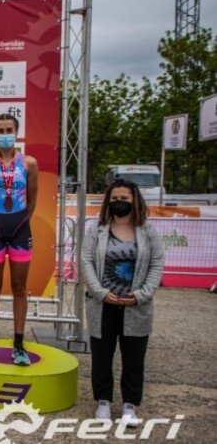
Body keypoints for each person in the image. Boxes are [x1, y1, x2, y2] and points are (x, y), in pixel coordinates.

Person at [81, 178, 163, 426]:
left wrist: (141, 295)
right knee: (102, 356)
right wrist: (99, 292)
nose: (119, 203)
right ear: (108, 202)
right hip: (102, 304)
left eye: (124, 199)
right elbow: (86, 262)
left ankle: (130, 406)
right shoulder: (96, 230)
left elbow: (156, 265)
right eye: (114, 199)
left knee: (134, 358)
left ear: (134, 200)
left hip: (136, 307)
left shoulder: (149, 232)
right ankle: (103, 402)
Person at [0, 114, 39, 365]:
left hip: (21, 228)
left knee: (20, 289)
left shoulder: (29, 163)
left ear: (16, 132)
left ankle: (19, 346)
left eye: (9, 129)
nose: (5, 133)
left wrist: (22, 220)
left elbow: (33, 199)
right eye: (0, 130)